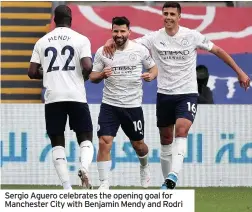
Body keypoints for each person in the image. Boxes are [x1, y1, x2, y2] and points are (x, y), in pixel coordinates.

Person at [103, 2, 250, 189]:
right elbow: (128, 43)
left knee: (182, 130)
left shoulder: (191, 36)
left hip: (187, 93)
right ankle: (167, 185)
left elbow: (218, 51)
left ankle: (173, 175)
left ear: (179, 17)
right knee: (166, 140)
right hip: (164, 94)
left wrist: (240, 72)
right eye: (166, 13)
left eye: (173, 14)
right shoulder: (154, 37)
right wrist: (111, 40)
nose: (169, 17)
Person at [28, 5, 94, 190]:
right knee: (85, 136)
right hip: (76, 96)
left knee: (57, 142)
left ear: (54, 19)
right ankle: (84, 168)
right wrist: (84, 74)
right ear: (70, 19)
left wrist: (50, 73)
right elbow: (88, 66)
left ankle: (67, 187)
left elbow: (32, 72)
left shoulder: (42, 42)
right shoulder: (81, 39)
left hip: (53, 97)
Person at [89, 16, 158, 190]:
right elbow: (92, 76)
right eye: (115, 31)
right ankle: (104, 183)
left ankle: (144, 166)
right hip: (109, 105)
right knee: (104, 141)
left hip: (132, 106)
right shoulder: (102, 52)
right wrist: (102, 75)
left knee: (139, 146)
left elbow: (153, 67)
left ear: (129, 32)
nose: (118, 35)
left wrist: (152, 75)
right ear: (111, 31)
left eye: (122, 31)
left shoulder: (139, 50)